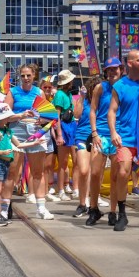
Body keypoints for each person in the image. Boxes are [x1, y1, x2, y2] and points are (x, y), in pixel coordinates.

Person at [108, 49, 139, 231]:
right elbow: (111, 111)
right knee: (123, 172)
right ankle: (122, 214)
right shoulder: (120, 86)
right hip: (126, 137)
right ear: (130, 63)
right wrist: (113, 132)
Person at [2, 64, 53, 220]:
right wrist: (20, 116)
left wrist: (41, 121)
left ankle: (41, 208)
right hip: (16, 133)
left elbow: (48, 116)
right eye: (23, 75)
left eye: (28, 75)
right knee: (12, 172)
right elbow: (3, 116)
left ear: (34, 76)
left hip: (34, 134)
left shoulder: (39, 92)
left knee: (38, 172)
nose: (25, 78)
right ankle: (4, 209)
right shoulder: (13, 92)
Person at [0, 103, 46, 227]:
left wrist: (35, 142)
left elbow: (19, 145)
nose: (8, 119)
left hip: (6, 162)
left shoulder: (8, 131)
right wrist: (1, 152)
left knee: (0, 188)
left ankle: (0, 214)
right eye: (6, 117)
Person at [86, 57, 124, 226]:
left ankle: (113, 211)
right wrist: (94, 133)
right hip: (101, 135)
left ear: (121, 70)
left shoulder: (125, 88)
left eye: (115, 69)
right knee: (95, 174)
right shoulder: (100, 88)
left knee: (116, 176)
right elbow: (92, 111)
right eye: (109, 69)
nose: (112, 72)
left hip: (118, 135)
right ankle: (93, 209)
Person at [72, 75, 102, 218]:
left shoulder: (103, 101)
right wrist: (82, 97)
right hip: (82, 137)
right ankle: (82, 203)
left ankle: (92, 202)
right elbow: (76, 115)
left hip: (97, 138)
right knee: (84, 171)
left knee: (96, 172)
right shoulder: (85, 101)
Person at [52, 69, 78, 200]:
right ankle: (61, 190)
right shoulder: (60, 95)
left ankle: (74, 188)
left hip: (72, 125)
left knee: (74, 160)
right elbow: (56, 116)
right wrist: (59, 134)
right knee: (62, 162)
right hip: (64, 126)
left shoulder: (67, 94)